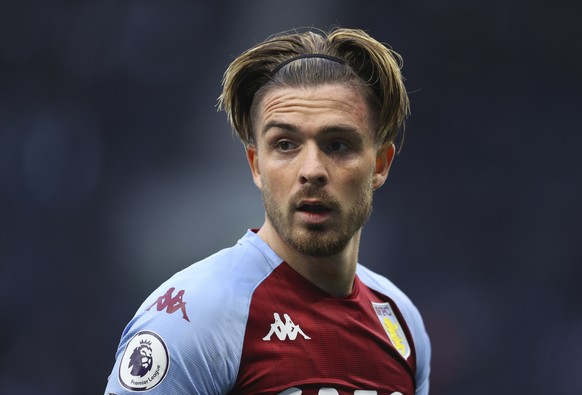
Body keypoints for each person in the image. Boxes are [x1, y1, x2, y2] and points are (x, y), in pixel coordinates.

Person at [104, 27, 431, 395]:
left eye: (338, 145)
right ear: (256, 165)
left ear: (380, 164)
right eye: (286, 144)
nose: (312, 171)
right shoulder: (194, 316)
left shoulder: (401, 321)